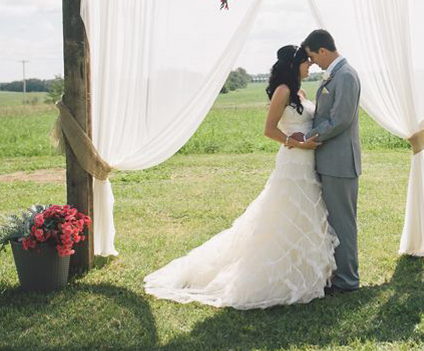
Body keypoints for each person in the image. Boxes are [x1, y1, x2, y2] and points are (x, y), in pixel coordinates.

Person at [143, 45, 339, 309]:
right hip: (293, 163)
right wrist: (298, 144)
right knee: (286, 214)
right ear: (295, 65)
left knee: (307, 215)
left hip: (308, 164)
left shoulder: (300, 93)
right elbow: (269, 130)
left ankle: (308, 270)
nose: (310, 66)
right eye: (306, 62)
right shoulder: (282, 91)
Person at [297, 29, 362, 294]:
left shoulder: (345, 76)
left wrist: (308, 136)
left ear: (323, 51)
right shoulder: (336, 75)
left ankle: (347, 280)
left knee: (343, 223)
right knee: (333, 222)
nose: (313, 64)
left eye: (313, 57)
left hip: (340, 163)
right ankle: (337, 274)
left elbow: (341, 119)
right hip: (330, 161)